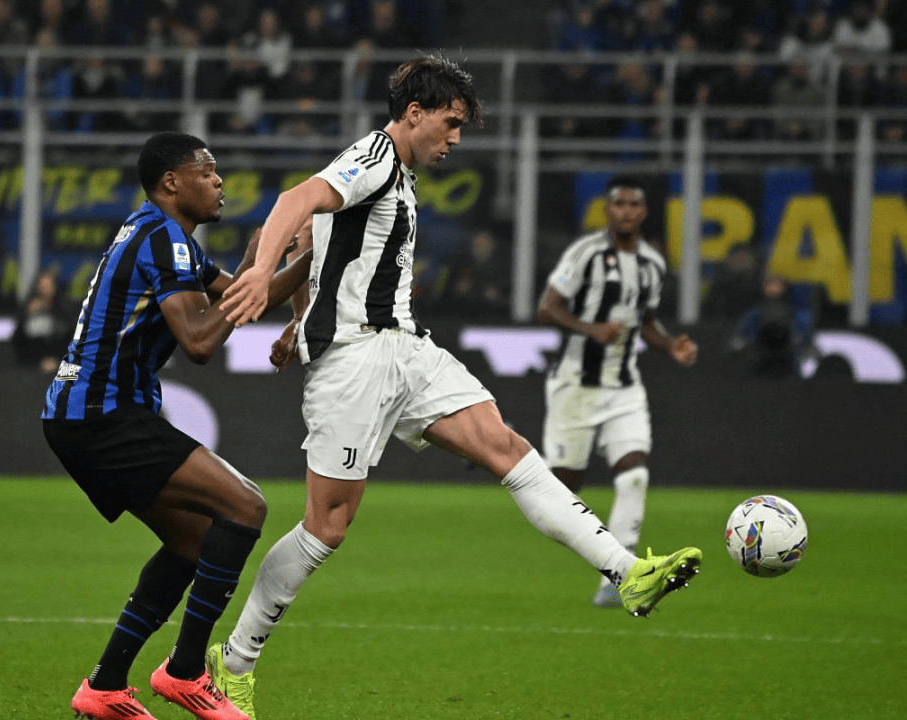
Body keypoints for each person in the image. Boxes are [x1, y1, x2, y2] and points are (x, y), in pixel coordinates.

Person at [208, 55, 703, 719]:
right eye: (451, 122)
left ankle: (626, 571)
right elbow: (295, 203)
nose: (456, 138)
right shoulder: (375, 155)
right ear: (414, 113)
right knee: (327, 527)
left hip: (409, 351)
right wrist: (258, 275)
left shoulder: (398, 176)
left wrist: (298, 316)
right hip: (355, 363)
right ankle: (235, 660)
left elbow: (321, 248)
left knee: (507, 448)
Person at [41, 131, 313, 720]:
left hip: (86, 413)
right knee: (244, 507)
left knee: (193, 543)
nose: (219, 182)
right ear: (172, 182)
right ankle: (185, 672)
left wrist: (283, 255)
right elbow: (199, 342)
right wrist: (306, 262)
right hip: (102, 412)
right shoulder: (163, 239)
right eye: (207, 171)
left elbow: (246, 295)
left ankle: (104, 687)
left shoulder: (163, 236)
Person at [535, 174, 699, 609]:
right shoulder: (585, 253)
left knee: (634, 475)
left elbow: (645, 321)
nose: (626, 211)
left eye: (634, 204)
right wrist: (590, 329)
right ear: (608, 210)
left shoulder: (653, 263)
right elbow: (547, 307)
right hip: (576, 386)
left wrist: (670, 345)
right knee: (560, 493)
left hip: (625, 387)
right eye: (619, 204)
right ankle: (515, 457)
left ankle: (620, 577)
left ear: (643, 212)